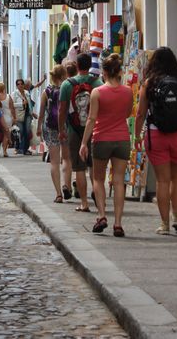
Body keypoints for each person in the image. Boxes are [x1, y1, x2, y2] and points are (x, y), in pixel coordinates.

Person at [133, 47, 177, 235]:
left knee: (162, 181)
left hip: (156, 136)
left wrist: (137, 136)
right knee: (176, 178)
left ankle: (164, 224)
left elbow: (140, 113)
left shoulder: (148, 83)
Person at [79, 54, 133, 237]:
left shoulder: (98, 92)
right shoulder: (128, 92)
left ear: (104, 72)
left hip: (101, 138)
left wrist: (84, 143)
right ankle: (118, 223)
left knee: (98, 179)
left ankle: (102, 215)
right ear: (118, 71)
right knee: (118, 181)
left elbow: (91, 119)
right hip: (122, 139)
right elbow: (127, 114)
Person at [59, 54, 103, 212]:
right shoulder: (98, 83)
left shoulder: (67, 85)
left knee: (79, 168)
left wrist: (61, 129)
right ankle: (98, 200)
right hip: (94, 129)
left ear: (77, 65)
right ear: (90, 64)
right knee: (94, 167)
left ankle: (84, 203)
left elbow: (62, 110)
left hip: (74, 130)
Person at [37, 65, 69, 203]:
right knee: (67, 159)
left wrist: (38, 127)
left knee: (54, 162)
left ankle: (58, 194)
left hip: (50, 128)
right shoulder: (67, 88)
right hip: (66, 127)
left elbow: (42, 112)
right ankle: (67, 185)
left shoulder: (46, 91)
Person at [11, 79, 34, 155]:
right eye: (18, 84)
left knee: (27, 131)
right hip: (19, 115)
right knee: (21, 131)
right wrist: (21, 104)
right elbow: (12, 105)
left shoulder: (27, 93)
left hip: (27, 114)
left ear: (23, 85)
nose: (20, 85)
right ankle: (18, 147)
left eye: (21, 84)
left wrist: (32, 113)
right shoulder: (14, 94)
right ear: (16, 86)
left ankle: (25, 149)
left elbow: (29, 104)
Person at [0, 82, 16, 158]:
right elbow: (12, 108)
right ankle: (4, 151)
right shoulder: (8, 96)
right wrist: (14, 117)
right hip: (7, 118)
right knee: (6, 135)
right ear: (4, 88)